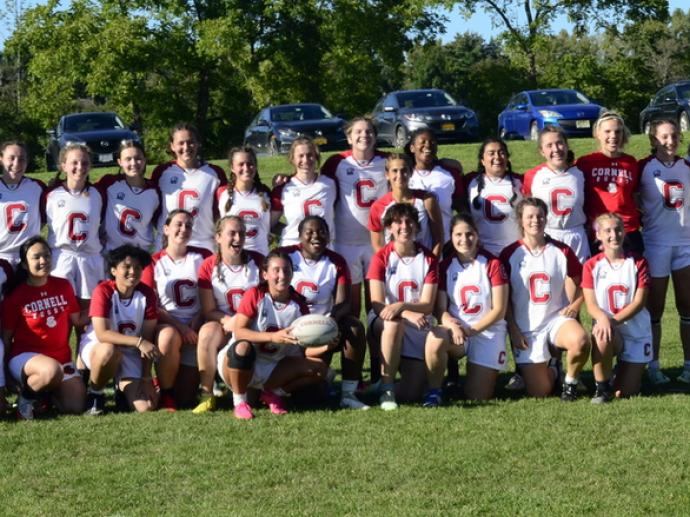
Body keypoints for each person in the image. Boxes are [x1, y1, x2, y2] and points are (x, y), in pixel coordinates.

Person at [217, 250, 329, 420]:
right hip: (241, 362)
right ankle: (239, 402)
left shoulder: (299, 305)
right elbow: (239, 332)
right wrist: (272, 337)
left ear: (293, 274)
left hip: (273, 367)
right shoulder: (255, 294)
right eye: (276, 270)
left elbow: (304, 351)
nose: (282, 275)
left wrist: (327, 344)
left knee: (320, 369)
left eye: (286, 270)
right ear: (265, 274)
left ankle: (274, 393)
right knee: (242, 346)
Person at [499, 198, 589, 400]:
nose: (535, 221)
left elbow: (586, 282)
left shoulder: (561, 250)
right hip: (527, 327)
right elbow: (503, 298)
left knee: (581, 341)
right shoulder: (509, 254)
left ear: (546, 218)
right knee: (540, 391)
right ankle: (554, 368)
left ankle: (570, 382)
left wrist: (575, 305)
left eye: (540, 216)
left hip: (556, 320)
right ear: (520, 220)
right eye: (529, 216)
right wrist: (513, 328)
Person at [367, 203, 452, 409]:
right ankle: (387, 389)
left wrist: (403, 307)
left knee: (411, 394)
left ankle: (379, 386)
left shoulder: (428, 259)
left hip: (417, 323)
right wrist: (404, 313)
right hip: (385, 322)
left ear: (416, 226)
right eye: (398, 222)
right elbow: (378, 304)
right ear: (389, 228)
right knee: (394, 323)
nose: (404, 226)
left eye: (409, 221)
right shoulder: (381, 257)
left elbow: (428, 304)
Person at [279, 215, 369, 409]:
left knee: (354, 327)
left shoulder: (336, 261)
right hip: (289, 329)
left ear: (329, 235)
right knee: (308, 398)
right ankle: (322, 377)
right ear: (299, 235)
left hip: (320, 329)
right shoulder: (285, 256)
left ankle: (349, 393)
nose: (316, 236)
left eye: (321, 232)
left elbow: (343, 301)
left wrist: (331, 323)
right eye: (309, 232)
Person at [2, 237, 84, 419]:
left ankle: (43, 396)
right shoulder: (16, 297)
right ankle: (25, 400)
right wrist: (6, 374)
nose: (43, 261)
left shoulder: (63, 285)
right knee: (51, 371)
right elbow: (7, 338)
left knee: (75, 406)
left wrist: (101, 310)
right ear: (24, 264)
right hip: (25, 358)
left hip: (61, 358)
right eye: (36, 257)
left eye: (47, 256)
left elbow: (77, 319)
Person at [141, 209, 211, 411]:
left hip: (197, 326)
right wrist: (181, 327)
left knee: (186, 398)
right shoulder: (153, 262)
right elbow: (152, 304)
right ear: (165, 229)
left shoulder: (203, 256)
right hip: (168, 325)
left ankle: (169, 386)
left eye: (188, 225)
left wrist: (198, 320)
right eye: (178, 224)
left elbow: (211, 295)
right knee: (169, 336)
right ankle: (166, 394)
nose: (184, 229)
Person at [637, 119, 690, 384]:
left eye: (675, 136)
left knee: (687, 306)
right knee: (654, 308)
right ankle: (653, 366)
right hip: (655, 243)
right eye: (665, 137)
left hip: (685, 244)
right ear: (653, 139)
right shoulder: (643, 168)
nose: (671, 141)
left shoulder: (686, 166)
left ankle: (688, 366)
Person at [193, 216, 263, 413]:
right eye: (232, 233)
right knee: (206, 331)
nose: (238, 238)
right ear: (218, 237)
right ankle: (207, 394)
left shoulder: (257, 262)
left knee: (255, 398)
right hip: (224, 323)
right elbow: (208, 310)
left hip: (253, 323)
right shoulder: (208, 266)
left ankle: (262, 386)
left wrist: (242, 322)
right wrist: (229, 321)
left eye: (241, 233)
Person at [79, 245, 159, 414]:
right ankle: (95, 393)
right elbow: (102, 334)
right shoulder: (103, 291)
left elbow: (148, 338)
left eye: (138, 267)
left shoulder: (147, 294)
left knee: (146, 408)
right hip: (99, 347)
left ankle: (121, 390)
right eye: (127, 267)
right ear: (114, 270)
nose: (133, 271)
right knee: (109, 350)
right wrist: (138, 342)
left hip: (130, 351)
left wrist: (146, 377)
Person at [436, 214, 509, 400]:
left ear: (477, 235)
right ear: (451, 237)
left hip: (486, 332)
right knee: (434, 340)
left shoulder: (492, 263)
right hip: (458, 332)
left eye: (469, 234)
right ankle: (433, 391)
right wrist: (452, 325)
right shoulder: (445, 266)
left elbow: (499, 309)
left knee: (478, 396)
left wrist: (471, 330)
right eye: (458, 235)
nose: (464, 239)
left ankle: (462, 383)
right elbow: (441, 310)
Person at [321, 117, 388, 317]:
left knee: (377, 306)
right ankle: (353, 347)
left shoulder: (387, 160)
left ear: (376, 137)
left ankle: (378, 349)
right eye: (358, 132)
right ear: (349, 138)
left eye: (369, 131)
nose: (364, 135)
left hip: (377, 242)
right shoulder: (336, 162)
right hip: (346, 242)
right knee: (350, 308)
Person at [582, 213, 652, 402]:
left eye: (618, 229)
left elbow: (638, 303)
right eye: (608, 231)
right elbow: (591, 304)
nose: (614, 234)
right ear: (598, 235)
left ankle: (620, 371)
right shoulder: (591, 265)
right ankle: (602, 387)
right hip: (611, 330)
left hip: (636, 332)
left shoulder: (638, 262)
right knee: (602, 334)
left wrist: (612, 320)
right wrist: (604, 320)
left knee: (625, 393)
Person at [45, 143, 104, 317]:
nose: (80, 167)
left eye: (85, 163)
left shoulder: (98, 193)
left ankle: (84, 345)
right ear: (63, 165)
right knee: (62, 316)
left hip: (90, 257)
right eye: (74, 162)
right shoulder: (51, 195)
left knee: (87, 316)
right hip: (62, 257)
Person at [152, 123, 227, 252]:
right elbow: (151, 208)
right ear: (172, 146)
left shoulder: (214, 173)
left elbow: (223, 209)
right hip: (168, 246)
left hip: (203, 245)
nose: (186, 147)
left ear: (198, 143)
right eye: (180, 143)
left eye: (191, 142)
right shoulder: (162, 172)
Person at [576, 111, 642, 253]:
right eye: (607, 131)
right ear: (597, 134)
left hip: (628, 230)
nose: (613, 136)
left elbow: (635, 196)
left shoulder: (630, 163)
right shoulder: (585, 163)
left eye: (617, 132)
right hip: (599, 232)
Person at [523, 126, 589, 263]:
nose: (556, 149)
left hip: (576, 234)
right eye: (549, 145)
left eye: (559, 143)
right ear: (542, 151)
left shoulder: (581, 173)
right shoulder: (533, 176)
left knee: (579, 282)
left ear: (566, 145)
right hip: (547, 235)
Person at [368, 153, 443, 256]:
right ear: (387, 175)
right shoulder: (378, 207)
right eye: (395, 171)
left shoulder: (426, 200)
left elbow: (438, 238)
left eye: (404, 170)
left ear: (411, 172)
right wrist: (387, 264)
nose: (399, 175)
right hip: (395, 267)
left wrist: (432, 265)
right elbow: (377, 245)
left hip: (424, 264)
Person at [271, 137, 337, 246]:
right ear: (292, 159)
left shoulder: (330, 184)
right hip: (294, 248)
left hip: (324, 247)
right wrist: (292, 231)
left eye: (310, 155)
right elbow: (269, 224)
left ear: (316, 157)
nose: (306, 160)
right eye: (300, 156)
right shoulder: (283, 188)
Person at [97, 140, 161, 251]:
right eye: (128, 159)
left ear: (145, 160)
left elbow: (160, 224)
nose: (133, 163)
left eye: (138, 158)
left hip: (141, 254)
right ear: (119, 162)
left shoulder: (154, 191)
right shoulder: (109, 183)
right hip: (112, 253)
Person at [405, 128, 466, 241]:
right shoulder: (404, 175)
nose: (428, 145)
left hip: (446, 242)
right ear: (412, 147)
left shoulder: (450, 173)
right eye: (422, 142)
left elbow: (461, 207)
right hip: (413, 245)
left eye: (432, 142)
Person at [465, 138, 522, 256]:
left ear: (507, 157)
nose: (497, 157)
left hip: (515, 250)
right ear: (482, 160)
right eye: (491, 153)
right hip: (481, 252)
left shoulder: (520, 181)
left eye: (501, 153)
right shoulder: (470, 181)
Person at [216, 147, 272, 256]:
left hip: (259, 257)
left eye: (250, 164)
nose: (246, 168)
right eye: (241, 164)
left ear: (255, 166)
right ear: (232, 167)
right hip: (231, 258)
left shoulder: (266, 193)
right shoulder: (222, 193)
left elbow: (272, 223)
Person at [0, 141, 45, 265]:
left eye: (22, 159)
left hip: (29, 255)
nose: (16, 163)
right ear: (1, 159)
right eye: (11, 158)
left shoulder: (37, 187)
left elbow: (46, 217)